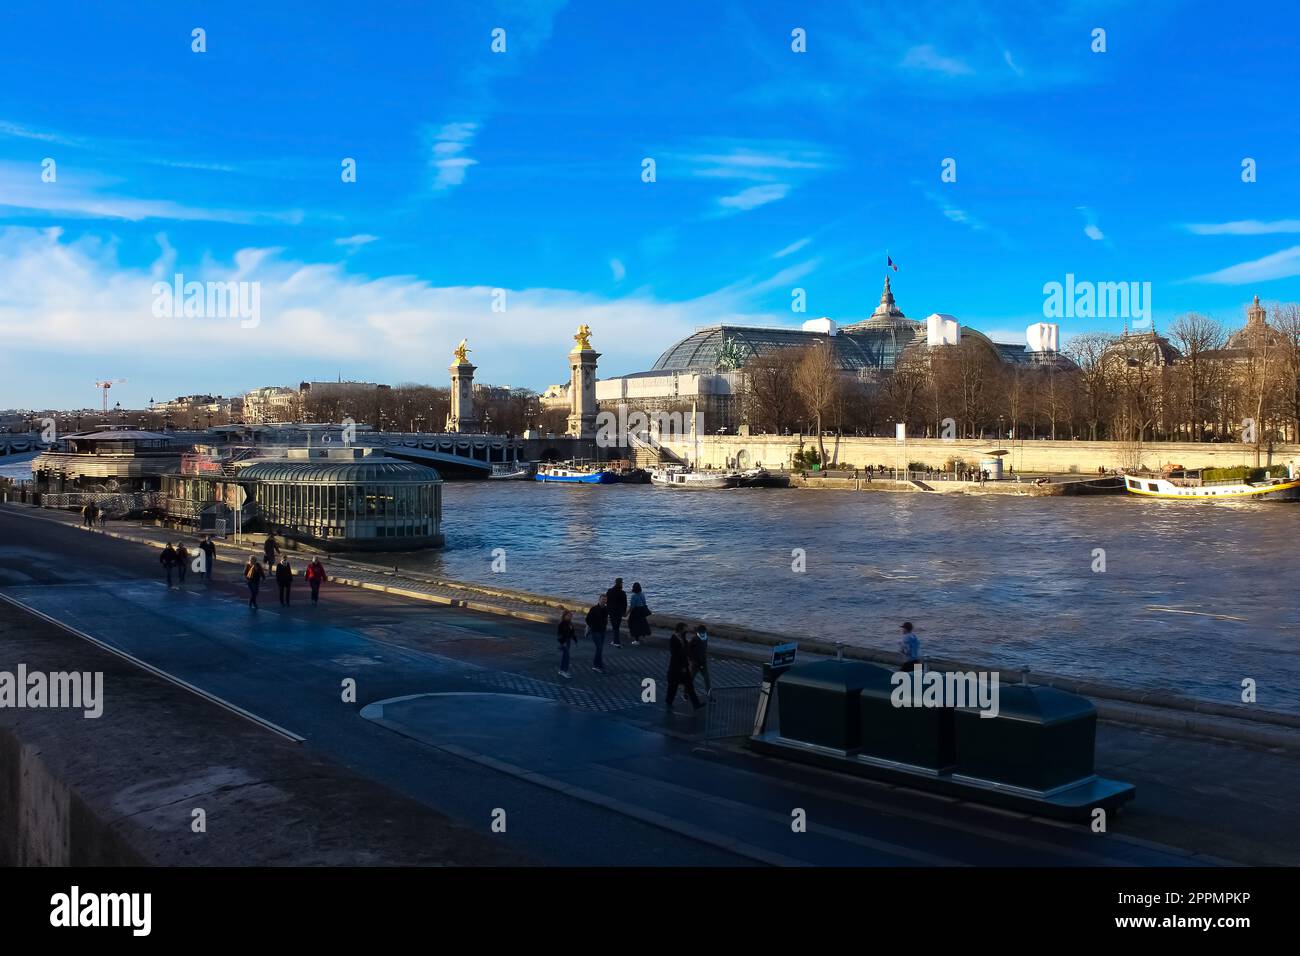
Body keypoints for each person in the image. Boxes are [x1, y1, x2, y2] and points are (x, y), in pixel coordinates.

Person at [666, 623, 704, 711]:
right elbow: (676, 654)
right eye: (685, 628)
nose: (687, 629)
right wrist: (682, 666)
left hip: (683, 666)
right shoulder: (674, 639)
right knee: (673, 685)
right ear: (681, 629)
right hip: (677, 667)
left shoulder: (682, 637)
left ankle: (696, 704)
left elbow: (687, 648)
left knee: (689, 685)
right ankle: (669, 701)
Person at [585, 594, 609, 672]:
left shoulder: (606, 609)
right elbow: (587, 619)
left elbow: (605, 619)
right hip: (595, 631)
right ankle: (596, 665)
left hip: (602, 631)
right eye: (602, 599)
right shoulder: (594, 609)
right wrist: (592, 626)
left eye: (605, 600)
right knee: (599, 648)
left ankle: (598, 662)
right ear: (599, 600)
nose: (604, 601)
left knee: (600, 648)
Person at [689, 624, 713, 698]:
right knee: (691, 678)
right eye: (703, 631)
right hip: (696, 663)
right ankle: (686, 693)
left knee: (706, 679)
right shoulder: (695, 639)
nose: (704, 632)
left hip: (703, 662)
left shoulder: (705, 638)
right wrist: (692, 659)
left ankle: (709, 695)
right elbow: (689, 649)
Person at [606, 577, 628, 648]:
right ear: (621, 583)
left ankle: (615, 640)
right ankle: (616, 642)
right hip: (618, 613)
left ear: (615, 583)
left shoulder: (609, 591)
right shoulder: (622, 593)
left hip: (611, 612)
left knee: (614, 627)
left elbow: (607, 601)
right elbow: (625, 604)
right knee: (616, 627)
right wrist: (624, 612)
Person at [556, 609, 577, 679]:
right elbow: (559, 635)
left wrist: (575, 639)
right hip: (564, 642)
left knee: (565, 656)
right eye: (568, 616)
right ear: (564, 616)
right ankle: (564, 671)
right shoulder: (561, 624)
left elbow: (572, 632)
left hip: (568, 641)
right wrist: (562, 642)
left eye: (570, 616)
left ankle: (561, 670)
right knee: (567, 657)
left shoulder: (570, 624)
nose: (570, 617)